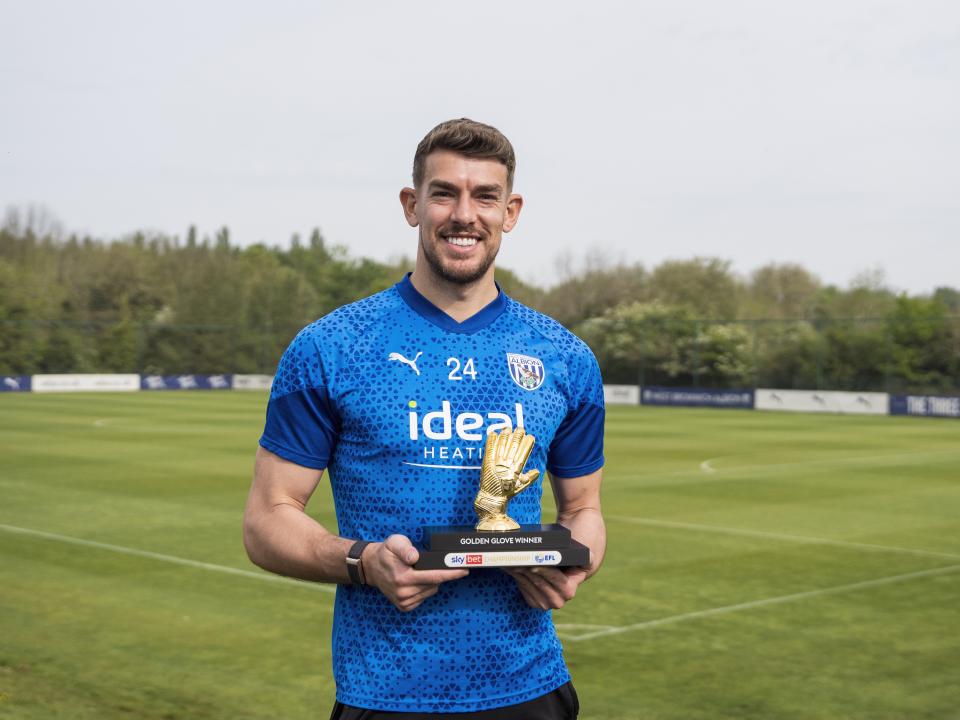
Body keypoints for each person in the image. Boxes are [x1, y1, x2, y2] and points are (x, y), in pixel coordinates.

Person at [244, 118, 606, 720]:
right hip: (383, 694)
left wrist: (572, 565)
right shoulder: (331, 347)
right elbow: (266, 521)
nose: (465, 213)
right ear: (413, 205)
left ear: (510, 212)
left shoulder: (564, 356)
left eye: (485, 196)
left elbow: (584, 511)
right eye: (445, 193)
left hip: (530, 688)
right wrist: (362, 562)